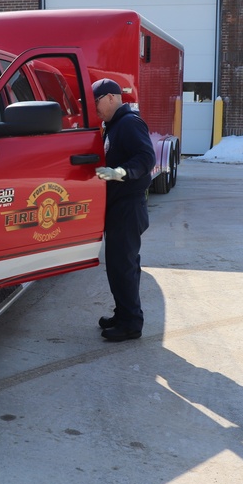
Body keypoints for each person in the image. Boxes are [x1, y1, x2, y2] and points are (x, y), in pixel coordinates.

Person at [92, 78, 156, 342]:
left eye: (97, 103)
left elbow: (146, 157)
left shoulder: (129, 123)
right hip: (118, 207)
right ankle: (123, 314)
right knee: (118, 266)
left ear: (110, 97)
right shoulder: (113, 125)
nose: (96, 110)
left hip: (129, 206)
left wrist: (120, 173)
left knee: (125, 265)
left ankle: (131, 324)